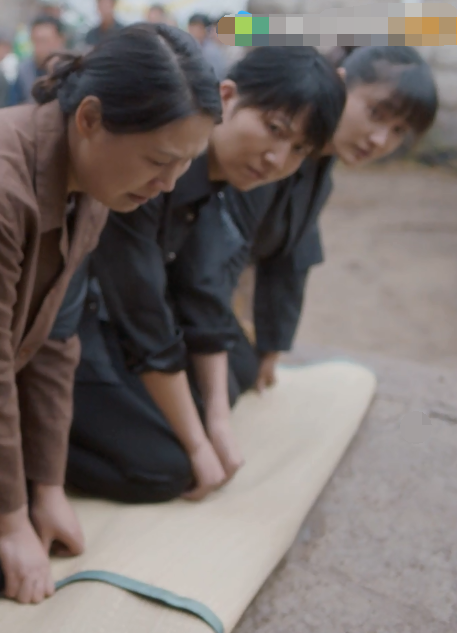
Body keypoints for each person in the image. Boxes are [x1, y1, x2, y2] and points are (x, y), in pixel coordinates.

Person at [0, 22, 221, 606]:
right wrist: (12, 521)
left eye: (184, 165)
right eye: (158, 160)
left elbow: (56, 339)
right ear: (89, 118)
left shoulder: (96, 179)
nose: (167, 185)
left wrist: (48, 487)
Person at [63, 46, 347, 505]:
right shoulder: (158, 169)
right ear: (228, 96)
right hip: (78, 325)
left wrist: (213, 418)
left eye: (299, 150)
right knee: (166, 468)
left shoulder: (222, 178)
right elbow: (143, 312)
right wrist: (198, 441)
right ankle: (38, 450)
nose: (277, 158)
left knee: (233, 372)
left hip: (126, 314)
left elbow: (201, 285)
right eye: (274, 129)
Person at [182, 46, 438, 400]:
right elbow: (215, 259)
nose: (380, 140)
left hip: (200, 296)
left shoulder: (319, 170)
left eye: (398, 131)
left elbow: (293, 254)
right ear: (340, 84)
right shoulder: (265, 160)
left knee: (242, 369)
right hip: (169, 293)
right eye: (375, 113)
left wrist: (272, 345)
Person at [10, 16, 65, 106]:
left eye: (44, 41)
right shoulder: (24, 71)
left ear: (60, 40)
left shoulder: (73, 70)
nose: (39, 48)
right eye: (35, 41)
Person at [187, 13, 227, 80]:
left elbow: (217, 75)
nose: (194, 32)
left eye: (198, 28)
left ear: (206, 30)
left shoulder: (211, 51)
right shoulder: (188, 46)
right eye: (192, 28)